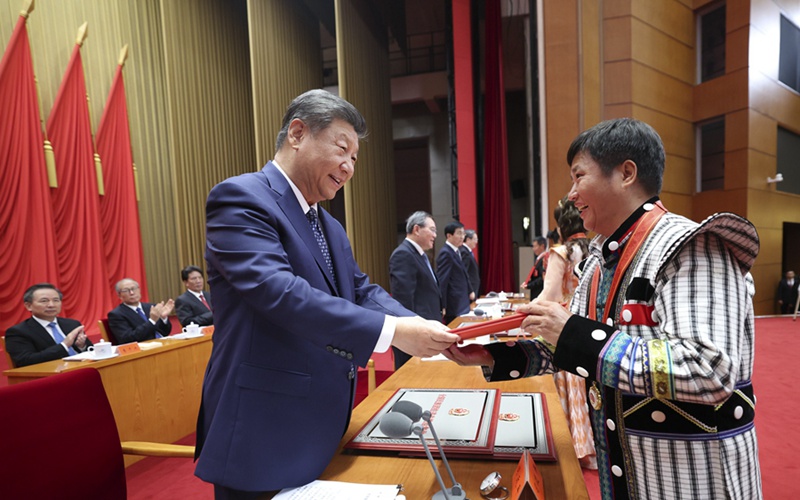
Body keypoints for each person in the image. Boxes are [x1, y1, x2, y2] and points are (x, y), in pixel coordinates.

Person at [445, 118, 762, 499]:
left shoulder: (690, 246)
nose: (571, 195)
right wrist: (492, 355)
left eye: (579, 177)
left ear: (626, 173)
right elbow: (570, 347)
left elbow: (707, 368)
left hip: (692, 479)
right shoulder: (598, 262)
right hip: (630, 472)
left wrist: (574, 334)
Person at [193, 89, 459, 498]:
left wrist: (418, 324)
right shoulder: (242, 198)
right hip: (262, 427)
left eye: (355, 158)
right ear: (298, 133)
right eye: (342, 149)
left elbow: (358, 289)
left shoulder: (328, 225)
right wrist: (393, 332)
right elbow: (280, 292)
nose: (349, 167)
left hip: (322, 420)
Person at [539, 197, 596, 469]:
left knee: (570, 385)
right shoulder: (595, 250)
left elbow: (548, 295)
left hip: (565, 325)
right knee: (590, 387)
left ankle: (574, 447)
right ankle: (593, 447)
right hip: (593, 326)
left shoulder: (561, 252)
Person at [388, 211, 444, 369]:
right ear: (417, 229)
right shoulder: (403, 255)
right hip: (415, 336)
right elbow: (403, 300)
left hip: (427, 330)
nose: (435, 235)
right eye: (432, 230)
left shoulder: (420, 255)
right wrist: (412, 334)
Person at [5, 283, 92, 367]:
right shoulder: (18, 332)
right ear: (28, 306)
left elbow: (91, 350)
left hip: (82, 369)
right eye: (44, 301)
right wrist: (64, 345)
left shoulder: (72, 324)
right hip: (53, 376)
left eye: (56, 300)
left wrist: (82, 347)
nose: (51, 305)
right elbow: (26, 360)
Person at [107, 278, 174, 344]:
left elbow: (165, 332)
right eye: (126, 290)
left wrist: (163, 318)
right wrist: (152, 321)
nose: (132, 293)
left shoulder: (151, 307)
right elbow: (127, 338)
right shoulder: (116, 315)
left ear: (139, 289)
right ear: (119, 295)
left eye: (134, 288)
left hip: (163, 344)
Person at [436, 221, 474, 324]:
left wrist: (470, 290)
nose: (462, 237)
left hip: (462, 301)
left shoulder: (456, 251)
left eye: (463, 233)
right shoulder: (446, 253)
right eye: (459, 233)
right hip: (454, 304)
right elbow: (442, 281)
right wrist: (442, 305)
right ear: (449, 235)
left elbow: (463, 273)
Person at [460, 229, 480, 297]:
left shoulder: (468, 252)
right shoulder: (464, 252)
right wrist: (470, 290)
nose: (476, 242)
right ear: (468, 239)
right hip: (469, 290)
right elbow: (464, 273)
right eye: (475, 239)